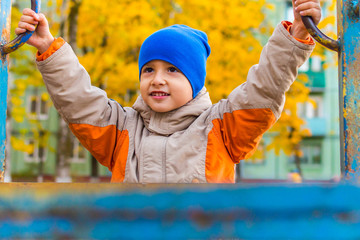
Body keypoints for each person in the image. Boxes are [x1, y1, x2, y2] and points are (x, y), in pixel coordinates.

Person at [16, 0, 321, 183]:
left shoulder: (221, 129)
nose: (157, 79)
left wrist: (295, 36)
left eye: (173, 70)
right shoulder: (121, 131)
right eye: (148, 69)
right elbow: (79, 101)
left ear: (195, 81)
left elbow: (264, 89)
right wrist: (48, 47)